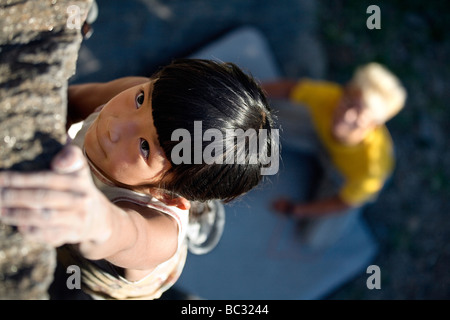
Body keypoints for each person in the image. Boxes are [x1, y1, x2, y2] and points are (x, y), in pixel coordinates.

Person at [0, 59, 278, 299]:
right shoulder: (139, 97)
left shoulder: (159, 234)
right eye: (141, 99)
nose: (117, 124)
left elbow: (122, 233)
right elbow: (65, 102)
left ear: (167, 193)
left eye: (145, 146)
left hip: (92, 278)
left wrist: (94, 220)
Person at [265, 62, 406, 246]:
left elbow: (344, 202)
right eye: (348, 101)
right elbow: (290, 89)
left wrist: (295, 209)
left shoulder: (371, 170)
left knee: (313, 239)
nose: (347, 116)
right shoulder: (330, 97)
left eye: (359, 113)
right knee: (263, 120)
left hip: (343, 178)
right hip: (321, 140)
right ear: (344, 90)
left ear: (374, 125)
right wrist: (248, 90)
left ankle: (348, 202)